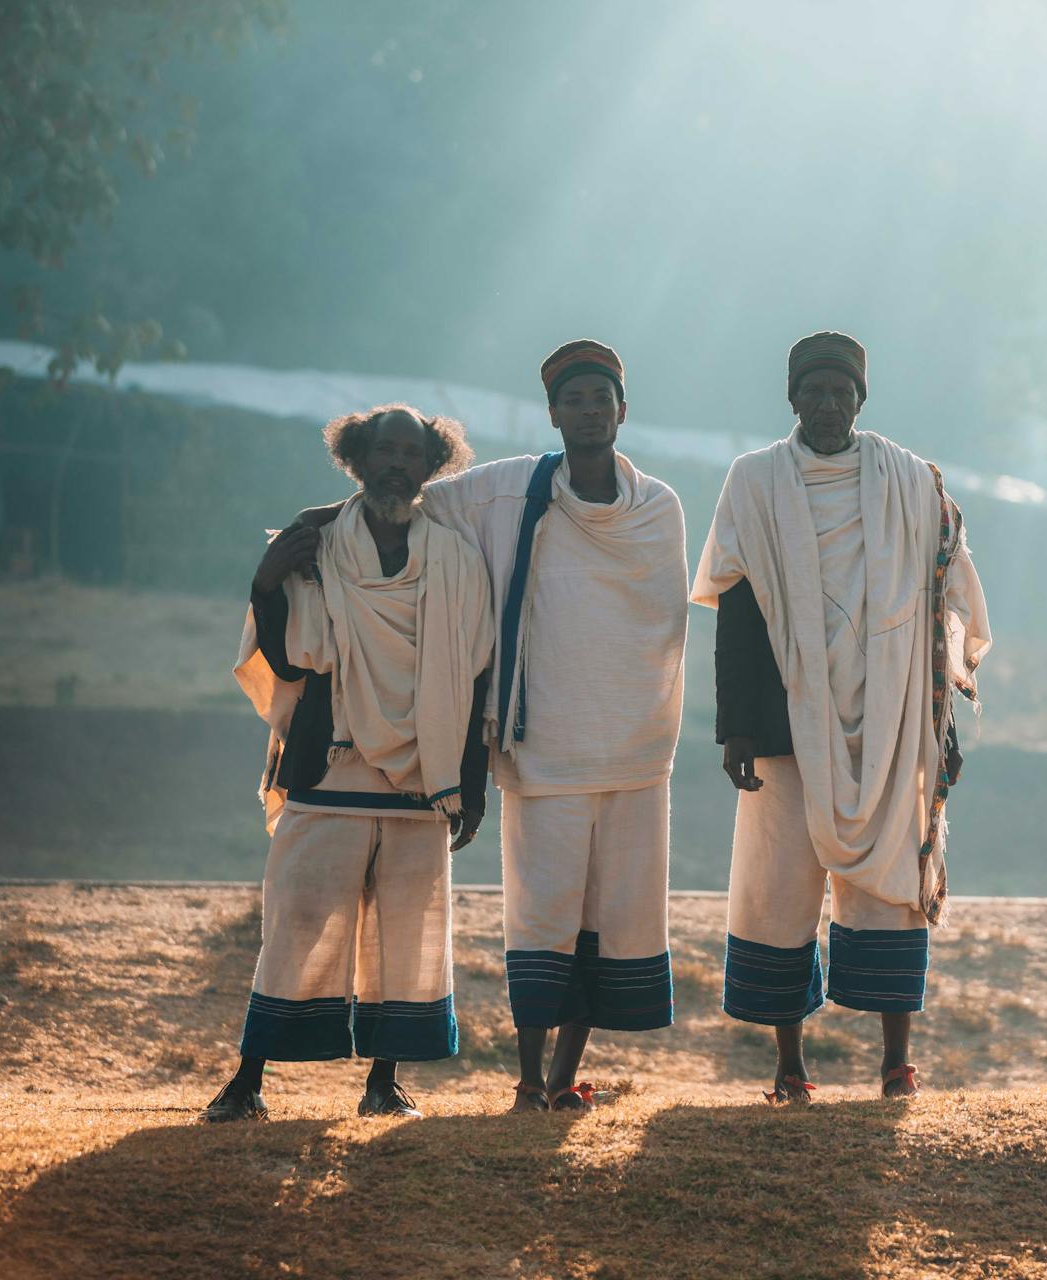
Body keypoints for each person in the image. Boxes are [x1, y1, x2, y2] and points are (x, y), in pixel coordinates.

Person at [301, 341, 688, 1112]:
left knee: (604, 917)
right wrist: (309, 530)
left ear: (622, 410)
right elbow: (406, 498)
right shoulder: (508, 490)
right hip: (543, 743)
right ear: (553, 413)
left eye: (599, 398)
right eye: (572, 399)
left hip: (636, 748)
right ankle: (524, 1083)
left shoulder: (659, 508)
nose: (586, 411)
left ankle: (564, 1077)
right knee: (542, 913)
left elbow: (667, 625)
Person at [691, 331, 991, 1102]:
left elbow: (941, 604)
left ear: (863, 400)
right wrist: (735, 729)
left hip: (894, 724)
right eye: (813, 392)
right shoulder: (753, 481)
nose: (827, 405)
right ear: (791, 399)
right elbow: (735, 606)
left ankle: (896, 1065)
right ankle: (790, 1067)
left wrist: (941, 723)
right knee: (779, 887)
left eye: (842, 393)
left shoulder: (910, 482)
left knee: (892, 888)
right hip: (782, 718)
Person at [202, 405, 493, 1123]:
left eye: (412, 452)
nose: (397, 463)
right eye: (383, 450)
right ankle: (247, 1084)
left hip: (424, 777)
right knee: (296, 921)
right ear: (356, 459)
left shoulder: (457, 557)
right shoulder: (316, 535)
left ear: (433, 466)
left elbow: (477, 673)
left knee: (405, 929)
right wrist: (265, 586)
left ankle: (383, 1084)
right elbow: (284, 658)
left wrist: (473, 788)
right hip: (328, 764)